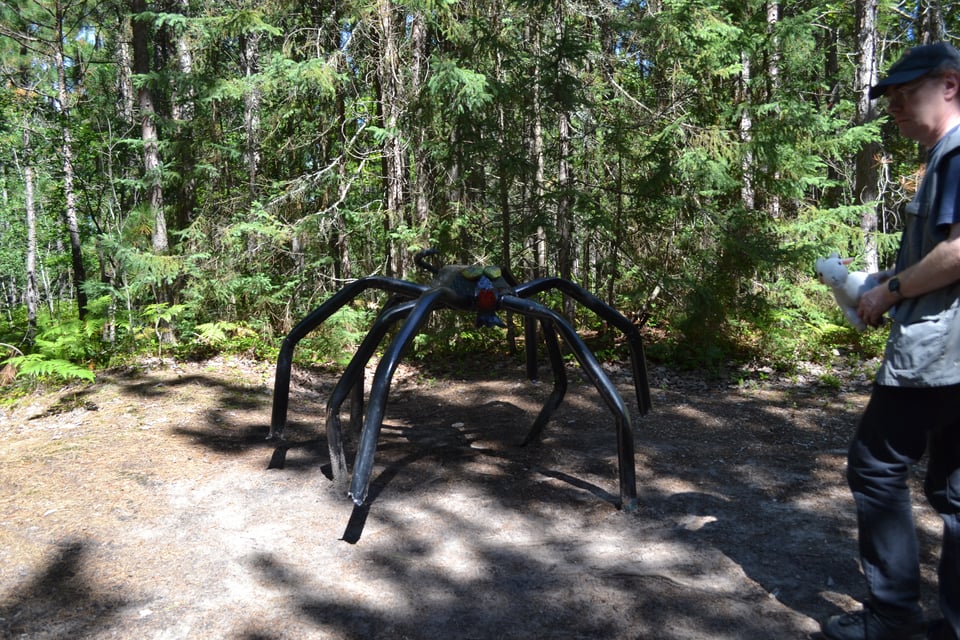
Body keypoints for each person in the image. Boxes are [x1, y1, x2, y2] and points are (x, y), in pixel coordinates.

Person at [819, 42, 960, 640]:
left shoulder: (956, 155)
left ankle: (892, 619)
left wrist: (889, 292)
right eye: (892, 100)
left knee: (875, 467)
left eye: (906, 96)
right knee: (955, 490)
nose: (896, 110)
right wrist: (878, 281)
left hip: (942, 354)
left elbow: (957, 254)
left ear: (950, 84)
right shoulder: (943, 159)